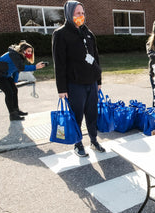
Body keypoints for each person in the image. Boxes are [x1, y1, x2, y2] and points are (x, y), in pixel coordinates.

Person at [52, 0, 105, 157]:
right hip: (75, 84)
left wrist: (99, 80)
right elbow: (59, 63)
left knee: (92, 113)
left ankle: (94, 140)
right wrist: (61, 88)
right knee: (77, 116)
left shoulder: (88, 33)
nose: (81, 16)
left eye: (82, 13)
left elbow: (95, 58)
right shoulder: (60, 34)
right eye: (77, 13)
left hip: (92, 82)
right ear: (69, 14)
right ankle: (78, 143)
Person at [0, 41, 46, 121]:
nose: (30, 53)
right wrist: (35, 67)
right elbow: (21, 68)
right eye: (28, 51)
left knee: (14, 90)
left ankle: (16, 110)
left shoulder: (20, 57)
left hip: (5, 74)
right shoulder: (14, 55)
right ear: (23, 50)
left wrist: (14, 81)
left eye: (31, 52)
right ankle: (12, 115)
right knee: (9, 92)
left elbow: (17, 70)